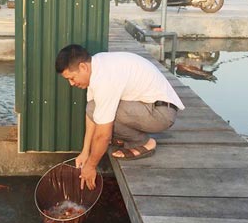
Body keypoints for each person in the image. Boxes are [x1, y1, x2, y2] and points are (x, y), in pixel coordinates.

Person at [55, 44, 184, 190]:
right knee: (93, 108)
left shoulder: (105, 78)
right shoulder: (97, 66)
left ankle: (144, 142)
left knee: (105, 122)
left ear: (83, 67)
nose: (71, 84)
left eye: (72, 78)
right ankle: (133, 138)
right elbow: (91, 114)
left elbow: (103, 135)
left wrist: (91, 166)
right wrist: (85, 152)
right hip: (148, 106)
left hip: (162, 113)